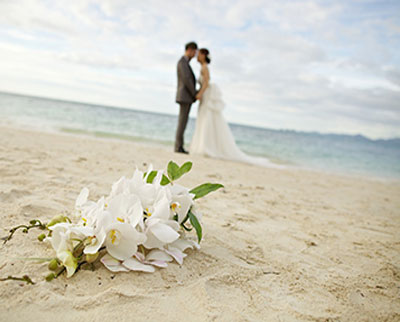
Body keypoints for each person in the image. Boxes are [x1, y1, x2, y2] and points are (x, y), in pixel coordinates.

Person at [190, 48, 270, 167]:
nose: (197, 56)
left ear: (203, 55)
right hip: (205, 96)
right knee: (205, 120)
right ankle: (203, 146)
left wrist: (199, 94)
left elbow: (206, 83)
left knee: (207, 119)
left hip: (206, 96)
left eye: (199, 54)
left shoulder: (205, 68)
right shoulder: (203, 67)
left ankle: (205, 147)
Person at [174, 41, 198, 154]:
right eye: (194, 52)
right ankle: (178, 147)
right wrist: (195, 94)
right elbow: (187, 80)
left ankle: (179, 146)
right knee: (182, 122)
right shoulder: (182, 62)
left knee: (183, 122)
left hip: (186, 96)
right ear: (189, 50)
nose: (195, 54)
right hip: (185, 96)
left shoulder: (185, 62)